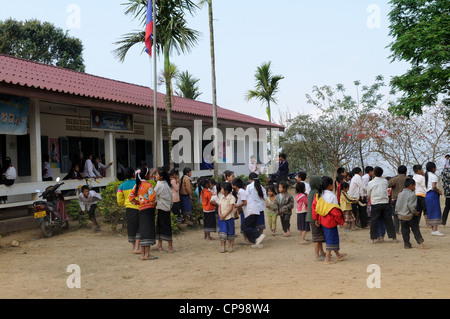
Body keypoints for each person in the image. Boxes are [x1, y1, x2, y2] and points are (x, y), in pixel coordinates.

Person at [311, 176, 346, 265]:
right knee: (331, 239)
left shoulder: (319, 195)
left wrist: (316, 219)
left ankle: (338, 255)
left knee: (330, 237)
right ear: (330, 185)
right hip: (331, 221)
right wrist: (341, 222)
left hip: (322, 220)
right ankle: (327, 259)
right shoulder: (332, 196)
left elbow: (314, 208)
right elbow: (336, 212)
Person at [129, 167, 158, 260]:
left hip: (141, 209)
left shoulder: (137, 185)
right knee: (148, 231)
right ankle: (147, 255)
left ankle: (143, 255)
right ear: (146, 175)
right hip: (149, 210)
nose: (150, 175)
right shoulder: (149, 185)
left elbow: (131, 198)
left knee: (143, 230)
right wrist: (154, 203)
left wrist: (138, 203)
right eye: (149, 174)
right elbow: (152, 198)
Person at [367, 167, 398, 244]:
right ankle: (393, 238)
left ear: (374, 173)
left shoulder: (371, 183)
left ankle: (372, 239)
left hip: (375, 203)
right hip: (385, 202)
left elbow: (368, 194)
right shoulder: (385, 181)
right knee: (389, 220)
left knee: (374, 221)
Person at [232, 178, 265, 248]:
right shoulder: (239, 194)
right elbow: (238, 207)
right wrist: (234, 212)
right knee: (250, 227)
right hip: (251, 212)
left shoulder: (241, 191)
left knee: (244, 227)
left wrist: (237, 206)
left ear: (235, 186)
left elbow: (244, 202)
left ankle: (258, 235)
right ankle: (256, 242)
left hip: (252, 211)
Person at [395, 178, 427, 249]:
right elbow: (411, 206)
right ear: (410, 186)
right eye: (414, 186)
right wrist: (415, 212)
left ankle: (407, 244)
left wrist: (397, 213)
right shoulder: (412, 195)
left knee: (404, 230)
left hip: (402, 216)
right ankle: (421, 243)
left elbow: (397, 205)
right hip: (410, 216)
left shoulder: (400, 194)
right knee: (415, 229)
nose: (415, 188)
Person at [117, 167, 141, 254]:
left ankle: (134, 247)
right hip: (139, 207)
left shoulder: (122, 185)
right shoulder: (138, 183)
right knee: (139, 227)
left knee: (131, 227)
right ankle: (138, 247)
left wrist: (124, 203)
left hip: (129, 208)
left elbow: (119, 200)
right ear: (133, 174)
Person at [154, 167, 174, 253]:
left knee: (164, 227)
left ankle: (170, 247)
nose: (155, 176)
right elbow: (171, 198)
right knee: (161, 226)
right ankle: (160, 245)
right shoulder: (166, 184)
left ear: (161, 176)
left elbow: (153, 194)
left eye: (156, 174)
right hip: (166, 207)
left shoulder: (160, 185)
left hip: (162, 208)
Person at [306, 175, 326, 261]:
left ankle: (322, 252)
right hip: (315, 218)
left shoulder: (312, 191)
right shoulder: (316, 193)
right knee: (316, 237)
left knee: (319, 236)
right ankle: (317, 255)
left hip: (313, 217)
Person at [424, 162, 444, 236]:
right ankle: (435, 230)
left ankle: (433, 228)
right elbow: (434, 187)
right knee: (436, 211)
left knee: (431, 211)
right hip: (433, 194)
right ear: (433, 168)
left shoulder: (426, 175)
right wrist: (439, 191)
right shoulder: (433, 176)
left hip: (427, 194)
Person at [388, 165, 408, 233]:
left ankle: (396, 230)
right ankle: (404, 229)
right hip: (406, 199)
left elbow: (388, 185)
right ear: (406, 171)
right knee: (404, 214)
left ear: (397, 171)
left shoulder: (394, 179)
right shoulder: (408, 179)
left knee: (396, 215)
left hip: (396, 199)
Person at [218, 182, 236, 252]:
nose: (221, 190)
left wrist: (225, 215)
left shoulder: (232, 198)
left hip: (229, 218)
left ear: (226, 190)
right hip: (222, 218)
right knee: (222, 233)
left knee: (230, 232)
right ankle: (223, 246)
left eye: (222, 189)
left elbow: (231, 208)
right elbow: (219, 206)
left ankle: (231, 246)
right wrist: (220, 214)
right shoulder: (221, 197)